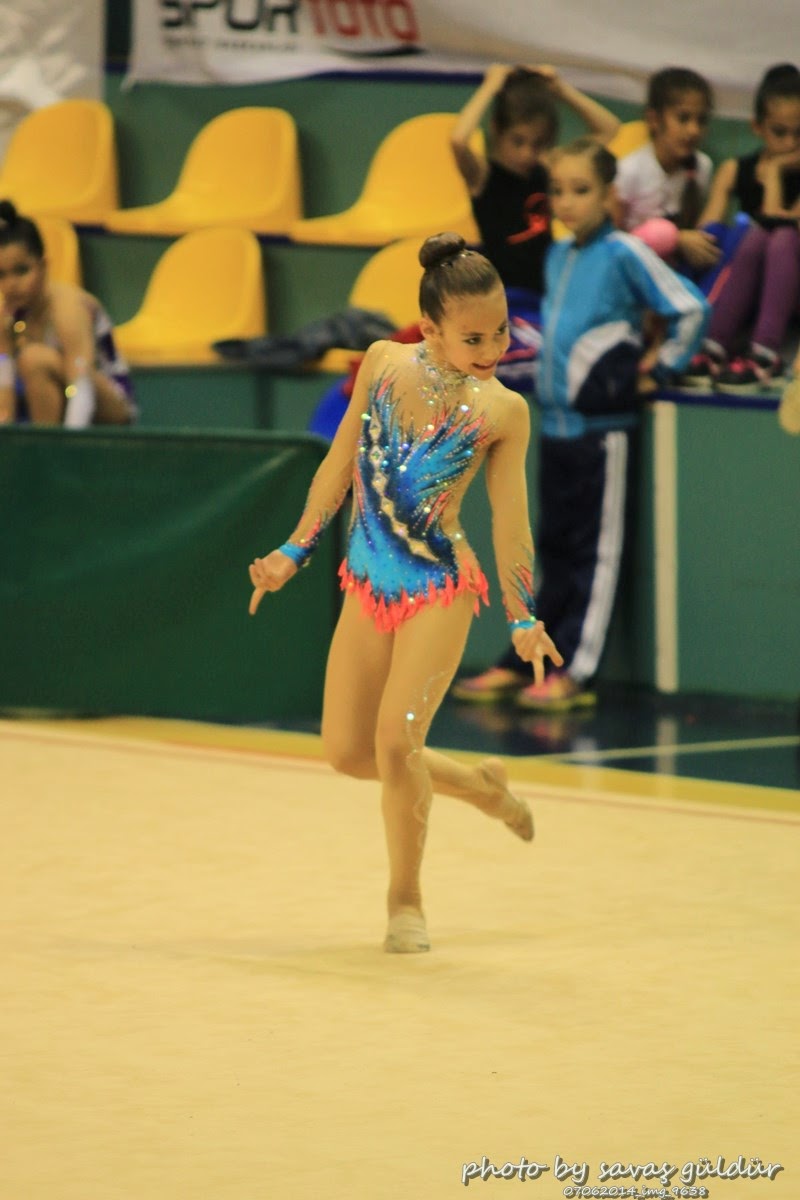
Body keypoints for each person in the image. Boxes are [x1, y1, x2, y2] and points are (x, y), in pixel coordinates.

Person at [247, 233, 563, 955]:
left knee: (397, 742)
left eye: (502, 331)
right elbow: (339, 463)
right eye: (474, 337)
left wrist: (522, 614)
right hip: (369, 579)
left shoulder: (503, 410)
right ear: (431, 329)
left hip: (440, 585)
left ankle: (405, 902)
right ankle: (483, 787)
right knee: (348, 752)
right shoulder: (384, 366)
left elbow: (511, 519)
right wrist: (294, 550)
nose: (494, 349)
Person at [453, 138, 709, 711]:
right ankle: (530, 659)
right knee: (555, 548)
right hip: (556, 429)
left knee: (597, 554)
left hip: (604, 433)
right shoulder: (558, 255)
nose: (567, 202)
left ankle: (577, 668)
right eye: (558, 191)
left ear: (609, 193)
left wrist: (661, 366)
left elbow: (691, 307)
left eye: (581, 190)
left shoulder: (624, 253)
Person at [450, 63, 620, 390]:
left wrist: (561, 89)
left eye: (538, 143)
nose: (527, 153)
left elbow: (609, 129)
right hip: (503, 303)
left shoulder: (546, 172)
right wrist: (491, 86)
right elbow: (458, 141)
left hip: (545, 298)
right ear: (497, 130)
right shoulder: (484, 177)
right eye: (518, 141)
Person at [683, 63, 800, 393]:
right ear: (758, 127)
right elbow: (708, 230)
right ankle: (713, 345)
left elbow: (778, 221)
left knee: (779, 237)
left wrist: (775, 171)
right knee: (746, 236)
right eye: (780, 132)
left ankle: (765, 353)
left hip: (790, 282)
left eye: (799, 134)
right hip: (746, 279)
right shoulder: (737, 169)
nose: (791, 143)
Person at [0, 199, 135, 426]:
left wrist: (70, 442)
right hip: (60, 399)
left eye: (21, 271)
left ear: (43, 266)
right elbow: (3, 380)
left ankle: (51, 444)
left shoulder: (68, 309)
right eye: (1, 275)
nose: (11, 284)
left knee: (34, 360)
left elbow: (81, 384)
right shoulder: (6, 315)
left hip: (109, 405)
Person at [613, 67, 724, 280]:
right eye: (683, 118)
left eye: (701, 120)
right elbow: (611, 242)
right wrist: (675, 239)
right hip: (632, 273)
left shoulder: (702, 166)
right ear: (654, 119)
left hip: (678, 272)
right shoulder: (629, 170)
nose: (693, 130)